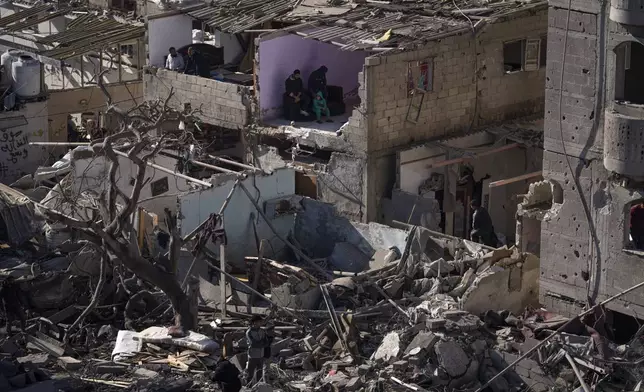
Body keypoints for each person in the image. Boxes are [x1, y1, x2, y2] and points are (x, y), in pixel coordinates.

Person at [245, 315, 273, 385]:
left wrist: (261, 344)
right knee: (250, 373)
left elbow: (266, 342)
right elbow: (253, 344)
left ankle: (257, 386)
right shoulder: (249, 332)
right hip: (253, 355)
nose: (260, 323)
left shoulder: (262, 331)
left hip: (261, 355)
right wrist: (261, 344)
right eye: (259, 322)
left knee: (259, 373)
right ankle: (248, 387)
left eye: (261, 322)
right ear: (254, 322)